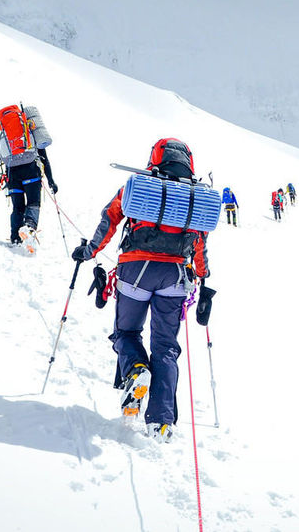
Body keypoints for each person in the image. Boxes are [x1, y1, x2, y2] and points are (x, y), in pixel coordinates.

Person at [72, 138, 210, 441]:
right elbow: (199, 241)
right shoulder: (194, 197)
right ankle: (161, 422)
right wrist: (203, 274)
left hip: (135, 271)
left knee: (126, 333)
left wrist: (90, 251)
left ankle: (136, 371)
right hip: (174, 276)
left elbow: (111, 216)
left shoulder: (140, 185)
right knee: (165, 347)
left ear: (155, 158)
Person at [0, 132, 56, 249]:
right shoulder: (31, 133)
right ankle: (29, 228)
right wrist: (51, 180)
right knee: (33, 203)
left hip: (13, 175)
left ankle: (16, 238)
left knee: (17, 207)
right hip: (31, 174)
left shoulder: (7, 135)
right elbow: (44, 158)